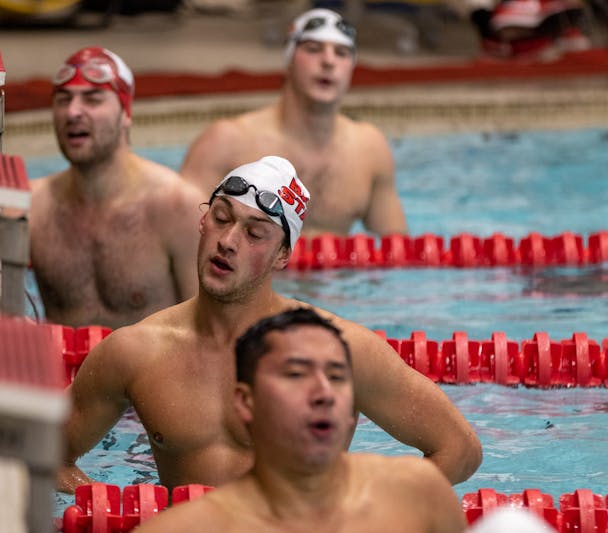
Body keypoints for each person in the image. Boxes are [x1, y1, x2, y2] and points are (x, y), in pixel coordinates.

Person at [59, 155, 480, 492]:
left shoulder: (340, 350)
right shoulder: (134, 353)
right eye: (222, 217)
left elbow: (458, 449)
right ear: (202, 220)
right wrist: (106, 509)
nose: (228, 241)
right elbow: (45, 453)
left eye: (256, 233)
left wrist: (371, 514)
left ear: (282, 257)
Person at [134, 308, 468, 533]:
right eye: (296, 375)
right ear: (246, 402)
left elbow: (460, 448)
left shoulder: (420, 498)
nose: (323, 393)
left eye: (337, 377)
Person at [179, 8, 408, 238]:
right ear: (289, 59)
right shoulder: (227, 141)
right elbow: (183, 234)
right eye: (313, 49)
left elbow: (397, 247)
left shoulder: (370, 148)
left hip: (341, 275)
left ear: (352, 68)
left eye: (341, 53)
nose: (328, 61)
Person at [29, 46, 204, 329]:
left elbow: (208, 333)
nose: (72, 112)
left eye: (92, 99)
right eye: (63, 99)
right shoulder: (32, 205)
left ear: (126, 113)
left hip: (150, 373)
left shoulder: (177, 205)